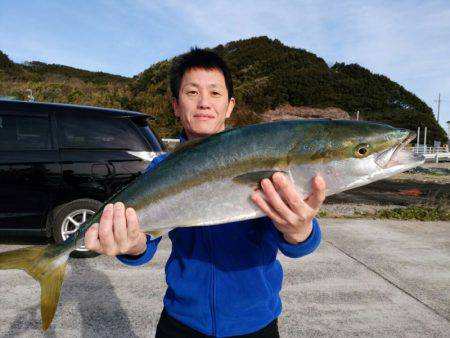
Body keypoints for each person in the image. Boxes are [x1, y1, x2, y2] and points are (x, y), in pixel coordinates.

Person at [85, 48, 326, 338]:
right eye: (191, 93)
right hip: (181, 321)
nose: (203, 103)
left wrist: (300, 229)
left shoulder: (261, 155)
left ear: (230, 105)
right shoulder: (162, 167)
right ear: (175, 105)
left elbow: (298, 244)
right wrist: (131, 244)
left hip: (256, 323)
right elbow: (143, 244)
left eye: (215, 93)